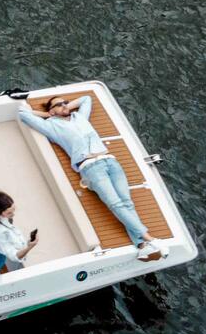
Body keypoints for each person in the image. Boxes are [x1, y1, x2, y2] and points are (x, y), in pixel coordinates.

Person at [16, 92, 165, 261]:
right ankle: (151, 240)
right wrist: (46, 114)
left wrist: (63, 107)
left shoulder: (80, 117)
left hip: (111, 161)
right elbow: (23, 113)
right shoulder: (51, 127)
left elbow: (86, 99)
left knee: (127, 202)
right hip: (90, 167)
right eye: (59, 105)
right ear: (52, 111)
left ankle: (142, 246)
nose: (65, 105)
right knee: (115, 203)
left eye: (65, 102)